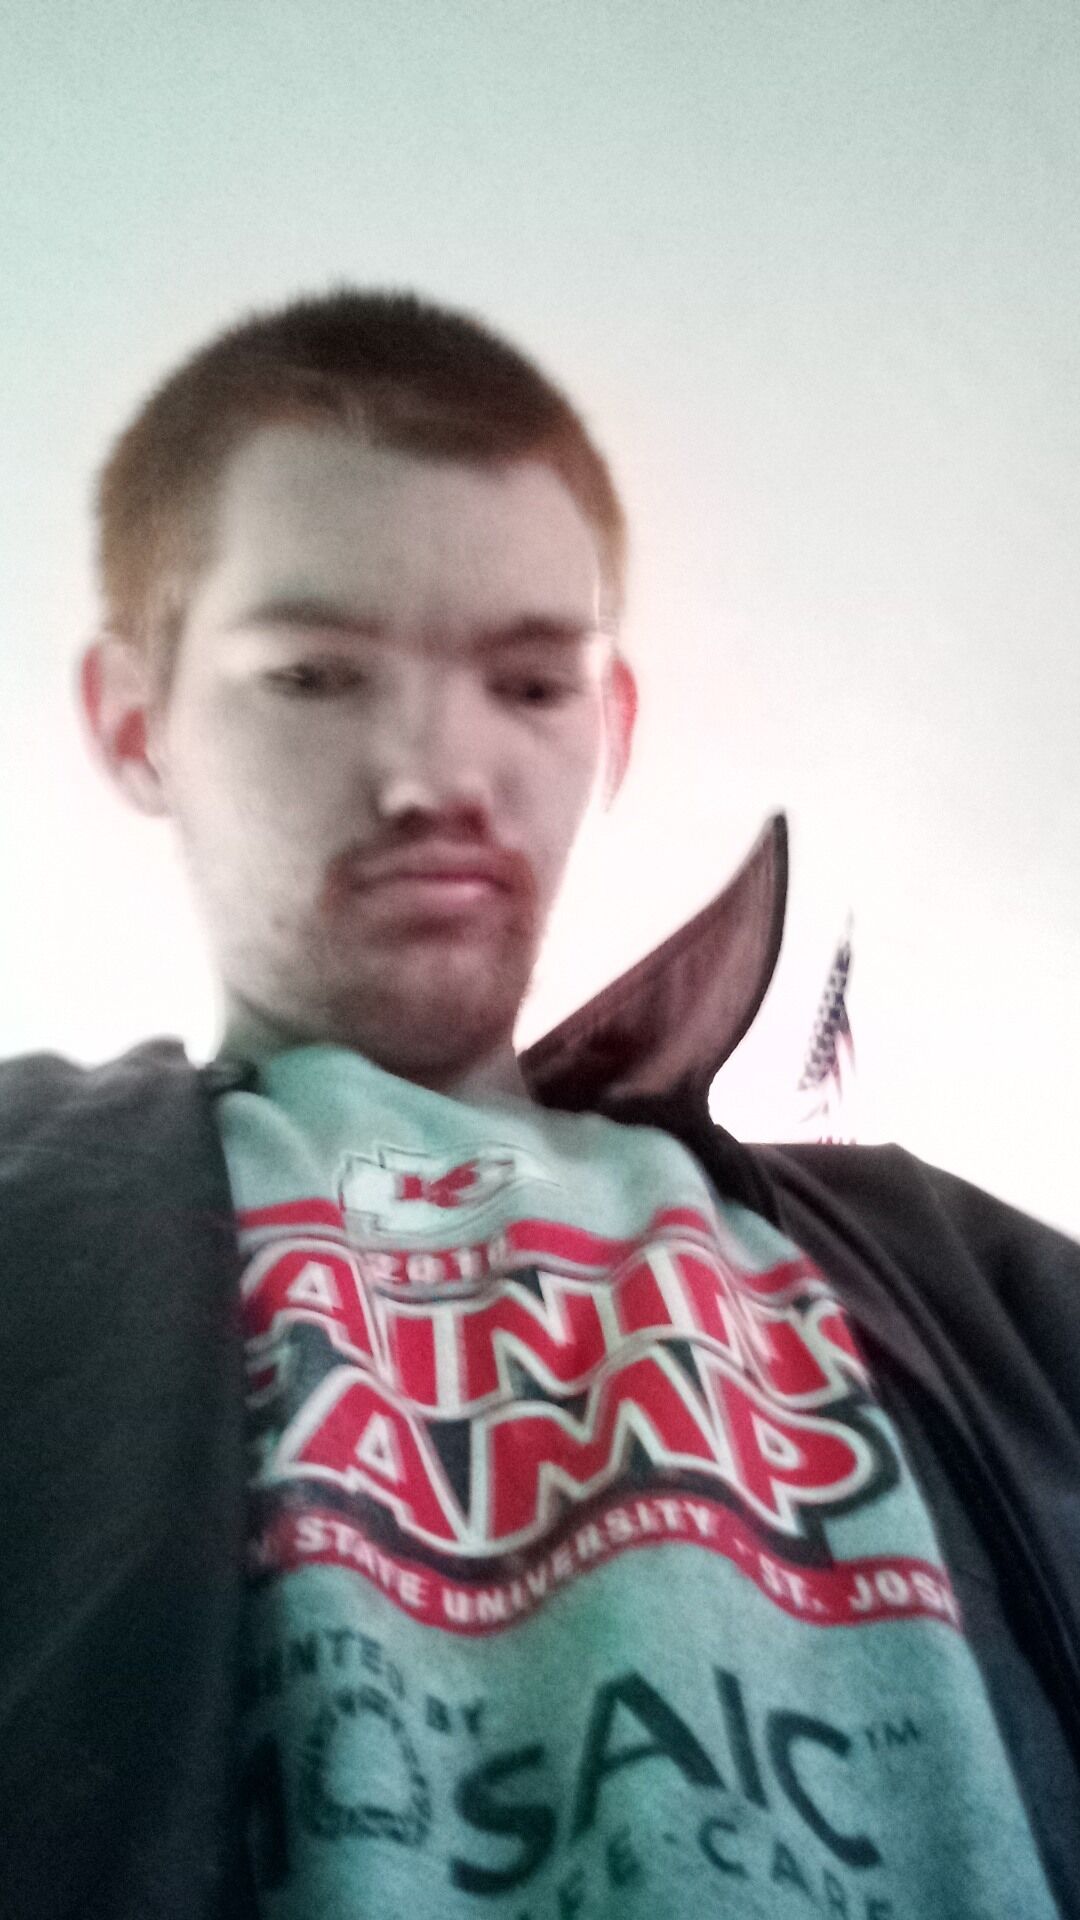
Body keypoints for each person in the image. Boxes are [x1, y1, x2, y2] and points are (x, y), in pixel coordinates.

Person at [2, 289, 1078, 1920]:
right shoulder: (25, 1212)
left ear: (611, 725)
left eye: (526, 683)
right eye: (315, 673)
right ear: (132, 718)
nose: (435, 775)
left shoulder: (959, 1275)